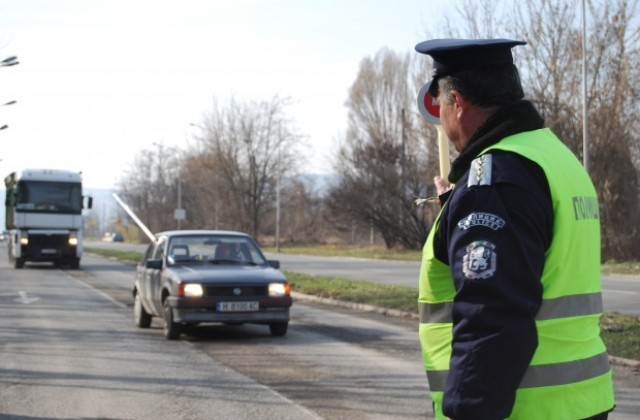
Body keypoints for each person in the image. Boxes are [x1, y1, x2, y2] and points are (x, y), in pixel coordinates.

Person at [414, 38, 615, 420]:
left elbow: (491, 316)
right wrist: (459, 209)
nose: (442, 120)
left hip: (523, 408)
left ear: (457, 102)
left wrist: (468, 411)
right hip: (580, 401)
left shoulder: (495, 180)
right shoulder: (552, 155)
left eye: (441, 108)